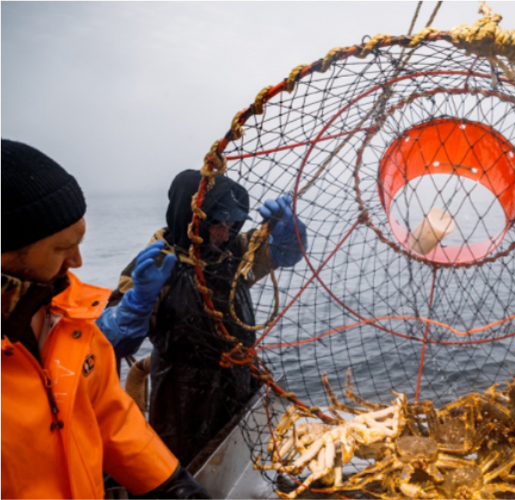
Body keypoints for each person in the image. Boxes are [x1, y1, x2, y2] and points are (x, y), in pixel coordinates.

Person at [0, 139, 210, 499]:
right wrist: (139, 300)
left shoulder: (65, 314)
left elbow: (107, 414)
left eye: (79, 242)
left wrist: (170, 483)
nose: (78, 262)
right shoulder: (154, 260)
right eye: (61, 249)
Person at [97, 169, 307, 466]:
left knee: (246, 461)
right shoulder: (155, 264)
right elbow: (111, 342)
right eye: (217, 225)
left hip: (240, 381)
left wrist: (289, 234)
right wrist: (138, 302)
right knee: (192, 471)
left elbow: (282, 255)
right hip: (182, 400)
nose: (224, 233)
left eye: (232, 225)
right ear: (190, 216)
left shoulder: (232, 249)